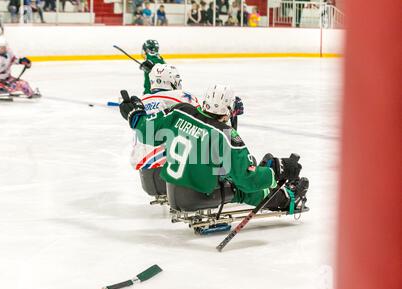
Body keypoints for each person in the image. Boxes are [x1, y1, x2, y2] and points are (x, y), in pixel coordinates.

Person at [119, 84, 309, 211]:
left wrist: (135, 114)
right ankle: (287, 199)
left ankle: (266, 177)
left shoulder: (181, 111)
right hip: (197, 197)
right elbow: (245, 180)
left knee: (232, 168)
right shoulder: (225, 135)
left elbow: (147, 131)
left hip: (171, 189)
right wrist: (276, 170)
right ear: (227, 110)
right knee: (242, 188)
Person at [131, 64, 201, 171]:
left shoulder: (141, 100)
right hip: (172, 162)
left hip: (141, 162)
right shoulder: (182, 96)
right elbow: (205, 121)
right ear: (172, 81)